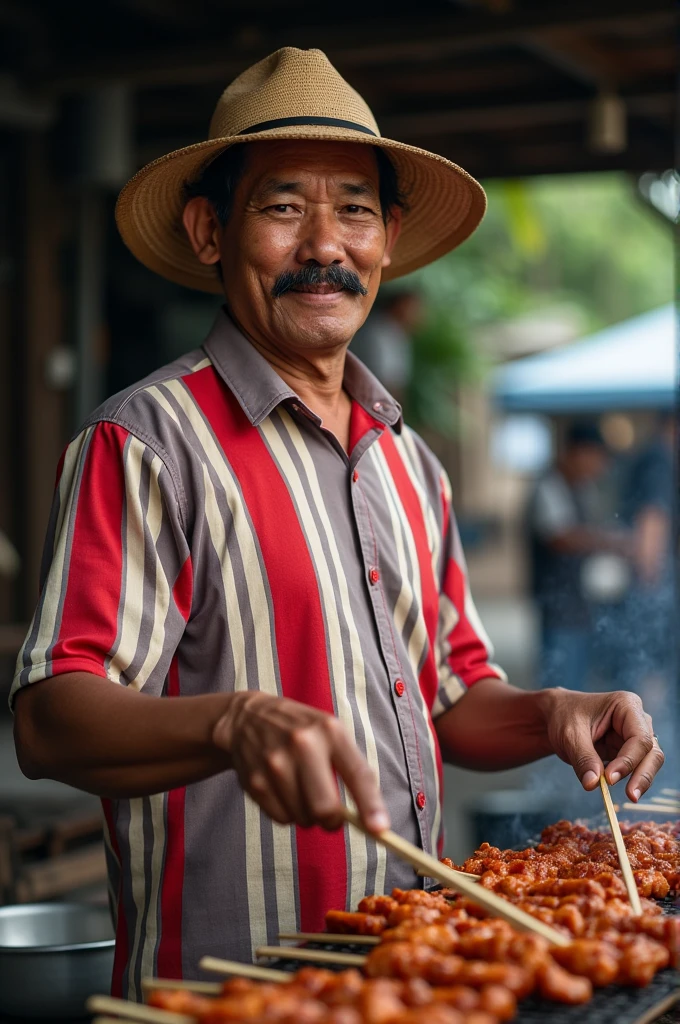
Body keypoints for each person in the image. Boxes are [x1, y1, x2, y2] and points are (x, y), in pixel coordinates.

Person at [12, 49, 664, 996]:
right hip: (229, 989)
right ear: (209, 230)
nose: (326, 244)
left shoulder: (414, 462)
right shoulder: (147, 440)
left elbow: (452, 700)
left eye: (355, 209)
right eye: (282, 207)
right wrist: (234, 720)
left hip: (413, 978)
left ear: (389, 238)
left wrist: (553, 712)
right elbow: (49, 719)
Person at [527, 422, 631, 691]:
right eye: (595, 458)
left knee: (579, 684)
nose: (598, 468)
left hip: (582, 605)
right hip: (557, 606)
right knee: (558, 685)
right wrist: (608, 541)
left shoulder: (584, 489)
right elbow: (559, 537)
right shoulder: (548, 486)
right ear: (576, 453)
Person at [349, 288, 422, 404]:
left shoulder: (399, 334)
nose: (419, 315)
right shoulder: (379, 332)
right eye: (414, 308)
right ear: (399, 305)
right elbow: (387, 382)